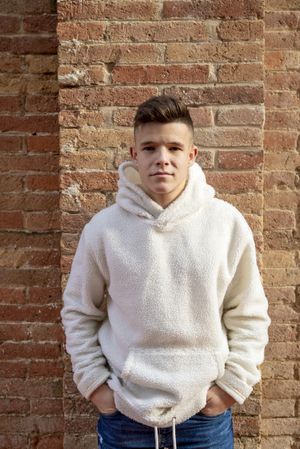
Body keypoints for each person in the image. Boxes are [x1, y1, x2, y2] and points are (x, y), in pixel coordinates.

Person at [61, 95, 271, 449]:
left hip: (203, 419)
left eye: (174, 147)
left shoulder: (226, 224)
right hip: (125, 417)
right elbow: (80, 311)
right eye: (150, 147)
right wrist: (95, 385)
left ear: (192, 155)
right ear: (134, 154)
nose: (162, 159)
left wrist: (231, 387)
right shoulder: (104, 230)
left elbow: (249, 313)